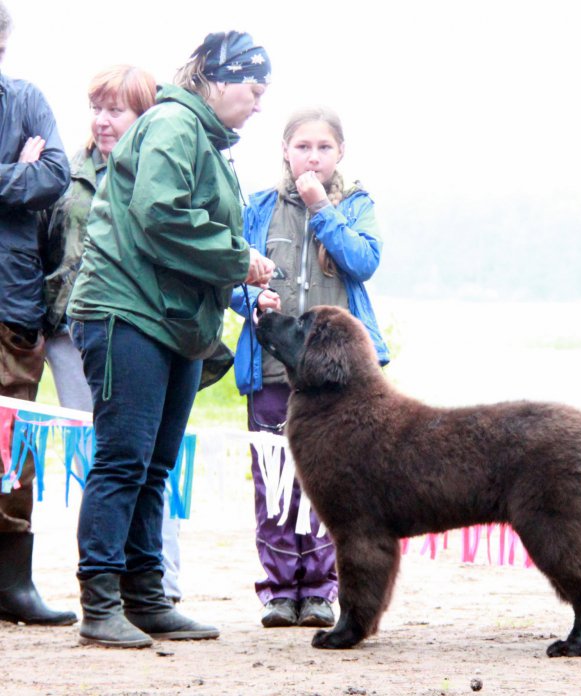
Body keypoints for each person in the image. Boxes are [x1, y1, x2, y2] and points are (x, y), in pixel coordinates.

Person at [66, 31, 275, 649]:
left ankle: (147, 597)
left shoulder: (207, 141)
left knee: (156, 466)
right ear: (218, 76)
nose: (259, 103)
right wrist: (238, 256)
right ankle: (100, 604)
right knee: (123, 460)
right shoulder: (173, 125)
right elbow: (161, 213)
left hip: (177, 320)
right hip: (126, 311)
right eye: (254, 88)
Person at [231, 106, 389, 628]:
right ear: (284, 149)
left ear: (339, 152)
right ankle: (280, 590)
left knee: (334, 485)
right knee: (274, 479)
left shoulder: (356, 205)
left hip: (341, 378)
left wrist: (323, 208)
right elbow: (230, 274)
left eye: (323, 147)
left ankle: (321, 590)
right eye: (303, 146)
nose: (312, 156)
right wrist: (250, 299)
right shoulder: (257, 208)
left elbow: (363, 262)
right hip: (273, 368)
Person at [39, 65, 184, 604]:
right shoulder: (67, 172)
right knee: (104, 460)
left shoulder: (162, 171)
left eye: (115, 110)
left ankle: (157, 584)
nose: (102, 120)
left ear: (145, 116)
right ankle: (102, 588)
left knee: (143, 458)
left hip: (141, 328)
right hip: (68, 334)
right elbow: (42, 248)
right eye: (96, 108)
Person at [0, 0, 76, 627]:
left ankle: (12, 586)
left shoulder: (26, 100)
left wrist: (30, 170)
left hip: (11, 303)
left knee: (12, 445)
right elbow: (27, 178)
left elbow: (55, 176)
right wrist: (10, 173)